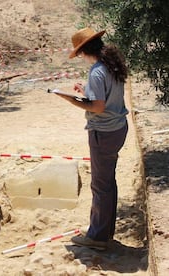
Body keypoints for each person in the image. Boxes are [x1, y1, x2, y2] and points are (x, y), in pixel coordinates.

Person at [56, 27, 129, 250]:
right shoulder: (111, 65)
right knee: (108, 182)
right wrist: (86, 90)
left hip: (103, 132)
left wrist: (70, 99)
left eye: (79, 54)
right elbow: (106, 95)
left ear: (84, 51)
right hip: (117, 128)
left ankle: (97, 238)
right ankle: (105, 231)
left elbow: (97, 107)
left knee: (100, 185)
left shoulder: (97, 71)